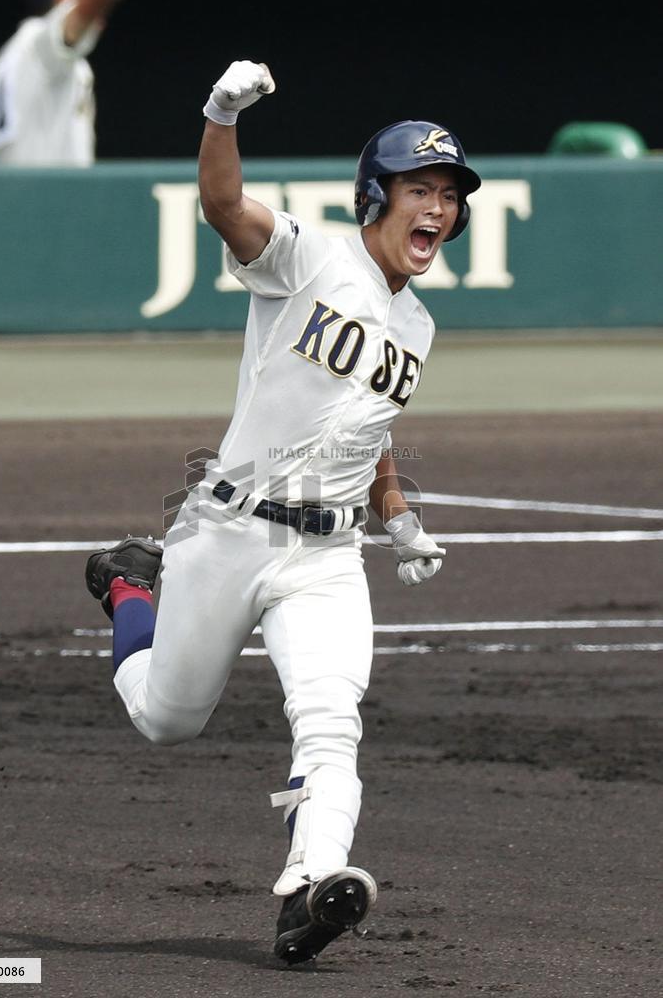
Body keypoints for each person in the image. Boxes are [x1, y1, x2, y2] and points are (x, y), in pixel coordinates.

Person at [85, 60, 481, 965]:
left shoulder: (416, 324)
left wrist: (395, 510)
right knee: (164, 718)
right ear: (376, 196)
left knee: (331, 718)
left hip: (327, 558)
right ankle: (126, 592)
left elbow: (370, 419)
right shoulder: (309, 255)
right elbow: (225, 207)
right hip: (228, 531)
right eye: (420, 188)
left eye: (450, 193)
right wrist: (220, 115)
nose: (439, 207)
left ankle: (310, 888)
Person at [0, 0, 124, 165]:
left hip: (11, 186)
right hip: (49, 189)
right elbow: (79, 17)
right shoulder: (42, 47)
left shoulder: (9, 55)